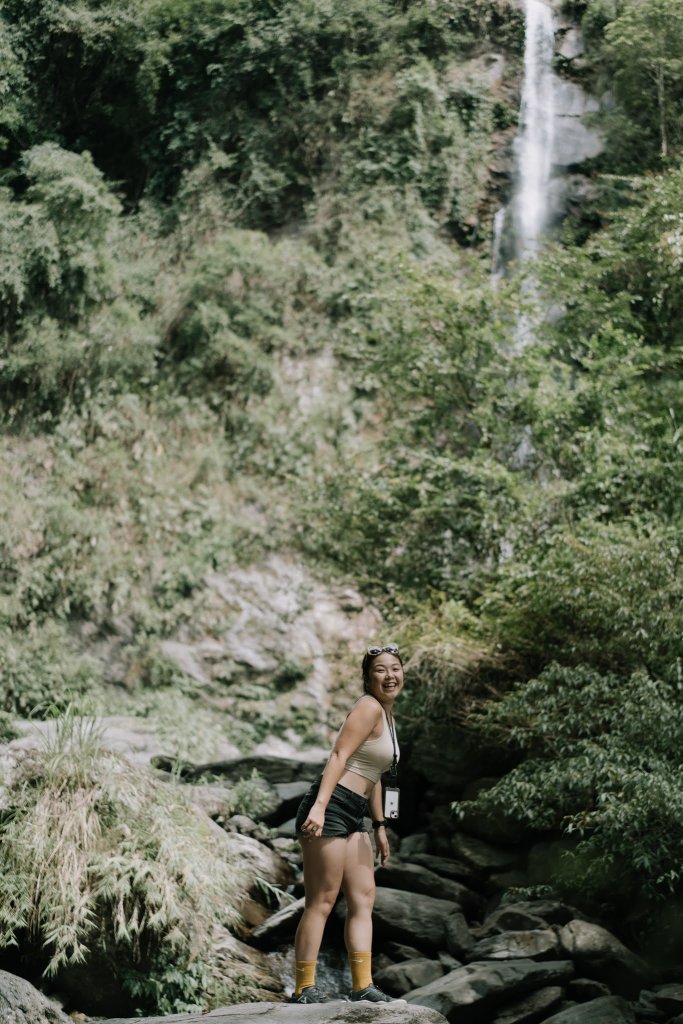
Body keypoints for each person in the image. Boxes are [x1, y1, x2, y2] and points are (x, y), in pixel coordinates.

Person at [290, 643, 403, 1004]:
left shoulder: (387, 714)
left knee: (363, 897)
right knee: (321, 900)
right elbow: (339, 755)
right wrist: (320, 808)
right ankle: (304, 988)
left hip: (354, 812)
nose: (390, 675)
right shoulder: (368, 707)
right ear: (369, 678)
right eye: (381, 670)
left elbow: (375, 773)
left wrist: (379, 825)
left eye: (395, 668)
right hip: (334, 804)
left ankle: (362, 986)